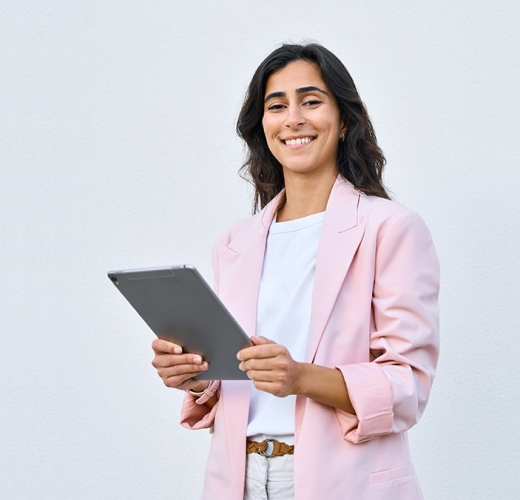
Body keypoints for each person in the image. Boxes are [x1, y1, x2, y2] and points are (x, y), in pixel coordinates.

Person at [150, 43, 440, 500]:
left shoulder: (391, 228)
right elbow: (239, 377)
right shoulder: (234, 243)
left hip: (342, 481)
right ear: (262, 126)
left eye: (311, 101)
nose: (293, 119)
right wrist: (196, 375)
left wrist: (301, 378)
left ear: (345, 121)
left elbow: (408, 384)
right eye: (277, 106)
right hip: (238, 479)